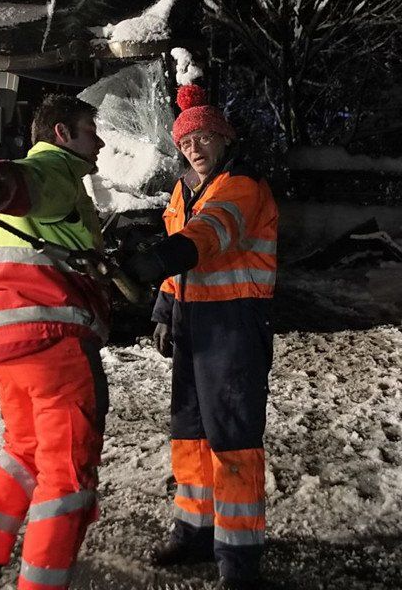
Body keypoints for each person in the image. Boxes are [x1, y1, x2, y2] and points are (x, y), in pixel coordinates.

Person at [0, 93, 110, 590]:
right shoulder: (57, 169)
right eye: (90, 130)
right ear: (62, 133)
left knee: (24, 451)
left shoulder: (59, 180)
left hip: (9, 341)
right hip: (55, 339)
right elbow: (26, 183)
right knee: (67, 474)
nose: (100, 142)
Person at [122, 84, 278, 590]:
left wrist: (158, 260)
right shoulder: (184, 188)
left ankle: (238, 559)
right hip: (193, 324)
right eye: (187, 142)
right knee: (189, 435)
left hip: (235, 325)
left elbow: (210, 233)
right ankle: (193, 532)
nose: (195, 148)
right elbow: (180, 253)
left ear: (224, 138)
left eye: (204, 137)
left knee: (232, 440)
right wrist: (165, 309)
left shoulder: (242, 184)